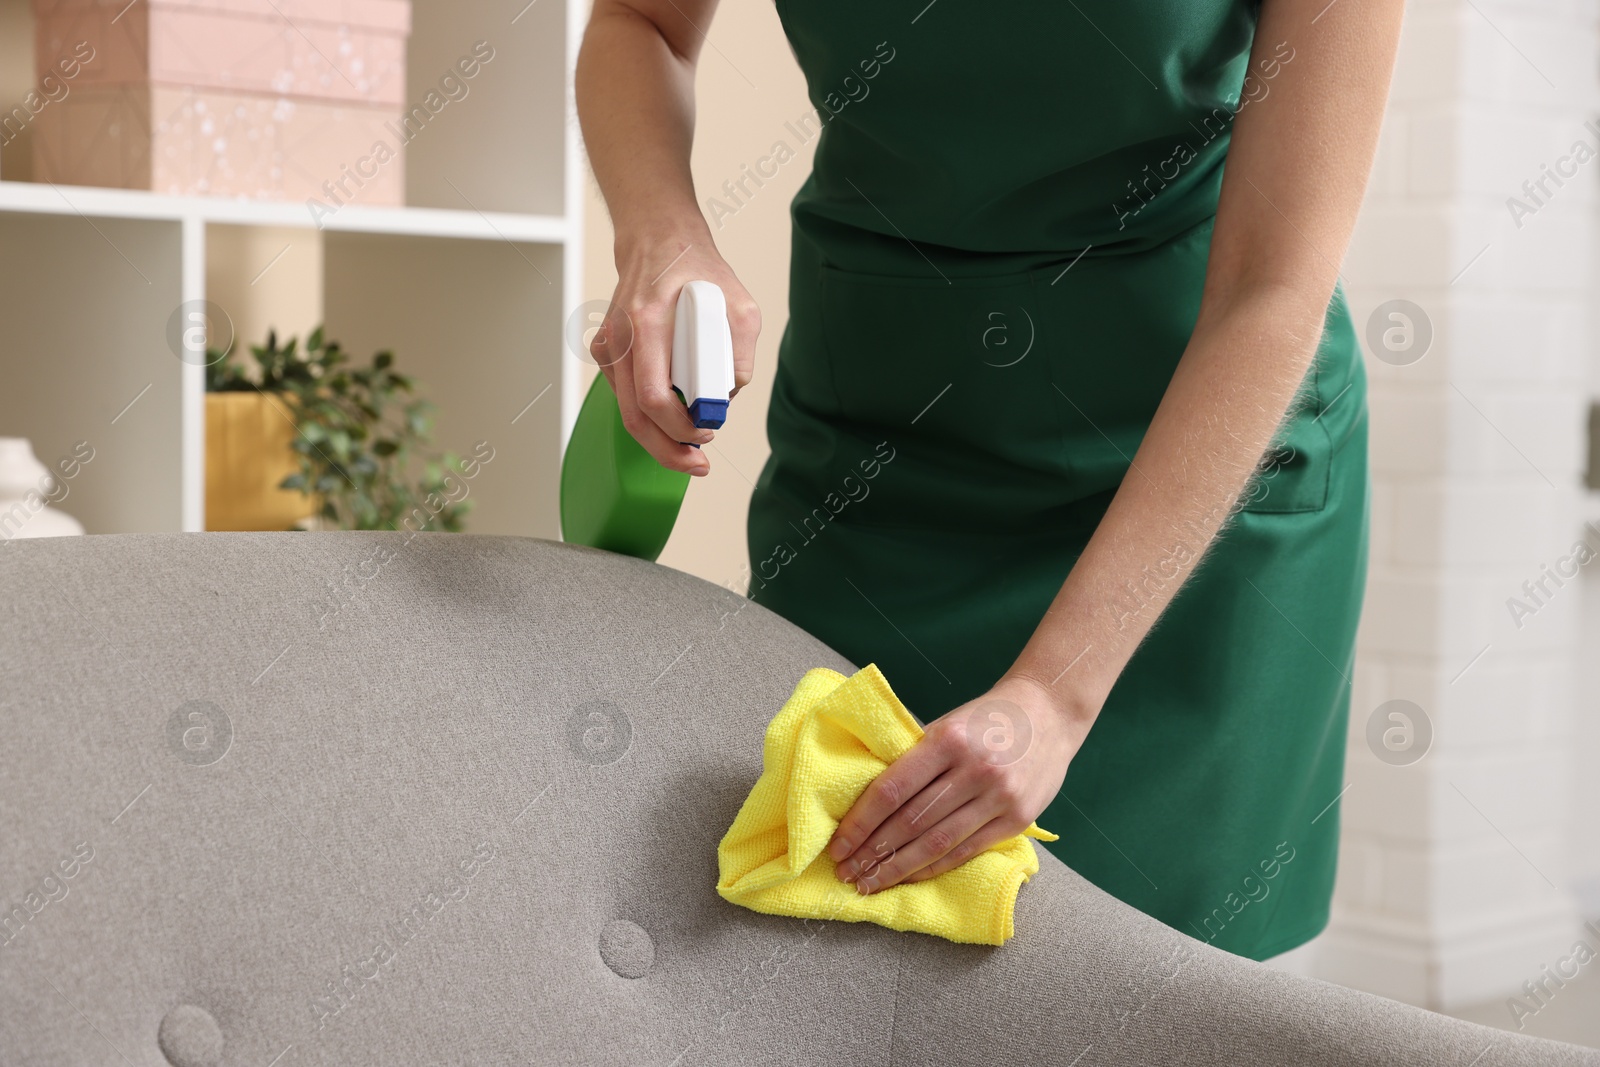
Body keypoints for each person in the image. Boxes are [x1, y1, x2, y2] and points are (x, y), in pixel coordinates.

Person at [576, 0, 1403, 961]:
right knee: (806, 948)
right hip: (881, 445)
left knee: (1163, 995)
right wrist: (661, 234)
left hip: (1193, 471)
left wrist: (1055, 693)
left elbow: (1273, 286)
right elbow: (643, 24)